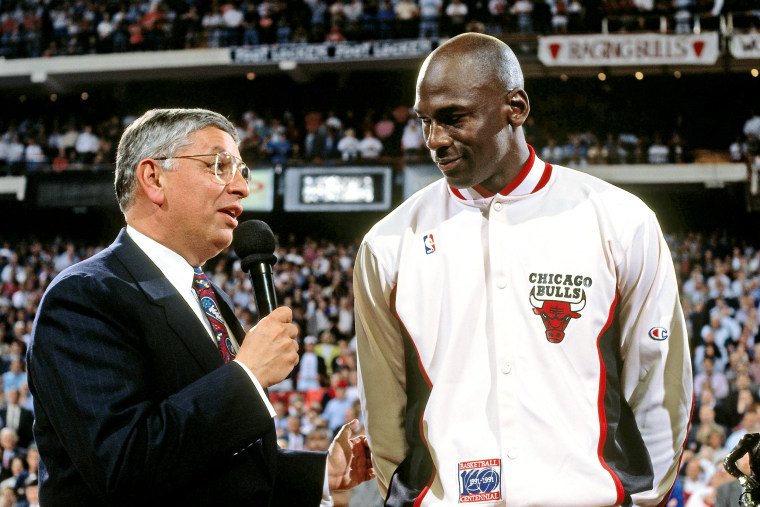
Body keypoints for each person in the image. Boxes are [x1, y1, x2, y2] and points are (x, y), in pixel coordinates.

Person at [353, 33, 693, 506]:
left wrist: (643, 499)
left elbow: (658, 381)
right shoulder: (387, 244)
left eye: (454, 118)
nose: (435, 140)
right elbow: (384, 409)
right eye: (425, 122)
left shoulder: (620, 220)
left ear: (516, 107)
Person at [27, 108, 373, 506]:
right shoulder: (84, 296)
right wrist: (246, 377)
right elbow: (123, 464)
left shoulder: (209, 295)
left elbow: (211, 462)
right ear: (154, 178)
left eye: (241, 170)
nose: (242, 186)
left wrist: (321, 473)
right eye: (219, 165)